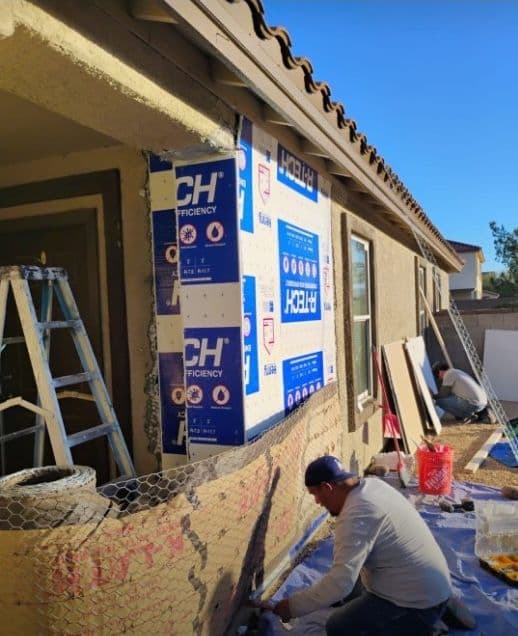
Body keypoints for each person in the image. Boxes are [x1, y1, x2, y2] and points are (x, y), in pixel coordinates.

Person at [266, 455, 452, 635]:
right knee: (348, 582)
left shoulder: (356, 516)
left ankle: (424, 624)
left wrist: (292, 607)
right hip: (428, 583)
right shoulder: (372, 485)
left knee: (339, 627)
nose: (317, 502)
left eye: (316, 494)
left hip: (418, 604)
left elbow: (340, 584)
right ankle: (435, 608)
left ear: (327, 487)